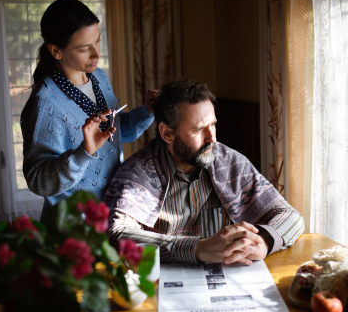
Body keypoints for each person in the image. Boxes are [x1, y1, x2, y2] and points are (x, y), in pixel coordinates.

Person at [104, 79, 305, 265]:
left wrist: (265, 241)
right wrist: (196, 249)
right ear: (168, 133)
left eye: (213, 125)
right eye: (198, 129)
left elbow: (291, 216)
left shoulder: (230, 162)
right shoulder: (138, 173)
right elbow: (117, 234)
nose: (212, 138)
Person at [21, 0, 156, 218]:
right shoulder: (45, 104)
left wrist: (148, 111)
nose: (97, 54)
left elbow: (115, 136)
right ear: (56, 51)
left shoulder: (98, 77)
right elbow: (38, 181)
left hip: (110, 214)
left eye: (98, 41)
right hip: (71, 230)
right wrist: (84, 153)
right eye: (85, 49)